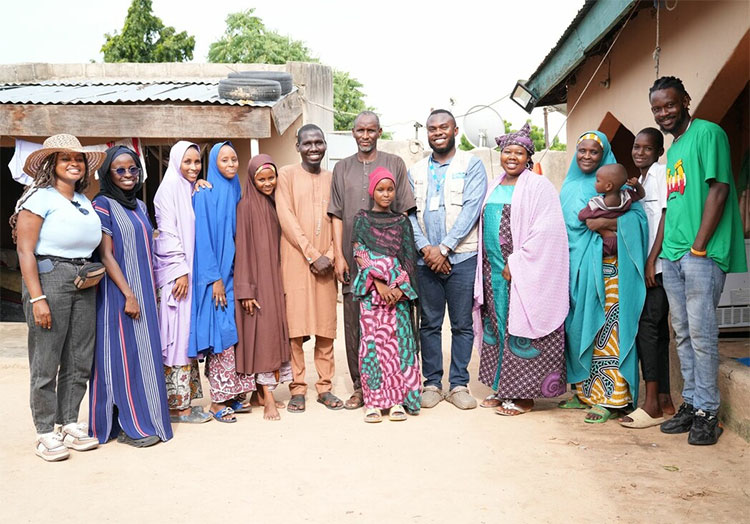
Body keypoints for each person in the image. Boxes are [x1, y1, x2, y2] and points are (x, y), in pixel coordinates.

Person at [649, 76, 747, 445]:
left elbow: (719, 188)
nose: (664, 113)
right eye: (657, 108)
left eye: (670, 105)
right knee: (684, 334)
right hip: (674, 255)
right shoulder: (673, 149)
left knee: (703, 336)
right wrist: (666, 253)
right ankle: (691, 403)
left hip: (700, 254)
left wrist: (700, 247)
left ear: (686, 100)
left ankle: (708, 412)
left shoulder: (708, 133)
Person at [11, 134, 105, 461]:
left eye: (78, 159)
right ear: (52, 164)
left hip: (83, 277)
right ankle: (45, 431)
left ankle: (68, 421)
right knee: (47, 357)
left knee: (79, 355)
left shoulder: (83, 200)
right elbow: (24, 249)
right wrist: (37, 298)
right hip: (50, 275)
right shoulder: (39, 198)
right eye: (66, 159)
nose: (74, 164)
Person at [473, 123, 569, 416]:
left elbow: (548, 230)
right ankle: (502, 387)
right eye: (507, 152)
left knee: (524, 327)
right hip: (492, 272)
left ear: (529, 157)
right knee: (498, 325)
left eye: (519, 152)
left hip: (522, 271)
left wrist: (518, 263)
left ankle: (525, 395)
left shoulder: (539, 187)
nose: (511, 157)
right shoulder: (493, 185)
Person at [328, 110, 416, 410]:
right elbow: (336, 214)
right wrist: (339, 255)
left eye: (371, 130)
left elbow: (404, 212)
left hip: (391, 266)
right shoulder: (342, 168)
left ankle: (396, 389)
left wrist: (393, 271)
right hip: (355, 263)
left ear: (379, 132)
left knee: (392, 326)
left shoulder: (394, 163)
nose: (365, 136)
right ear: (353, 133)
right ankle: (361, 387)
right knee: (355, 324)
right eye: (360, 130)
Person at [559, 131, 648, 423]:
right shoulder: (568, 186)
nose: (586, 157)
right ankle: (585, 393)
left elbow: (637, 219)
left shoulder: (617, 188)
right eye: (581, 150)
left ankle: (611, 398)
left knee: (609, 331)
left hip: (609, 270)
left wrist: (604, 223)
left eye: (594, 152)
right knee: (581, 329)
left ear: (604, 156)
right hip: (575, 271)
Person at [89, 146, 173, 447]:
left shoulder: (138, 204)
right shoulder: (102, 204)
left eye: (133, 169)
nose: (128, 175)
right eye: (120, 170)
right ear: (108, 174)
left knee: (144, 355)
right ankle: (127, 423)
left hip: (145, 292)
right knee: (120, 356)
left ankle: (146, 415)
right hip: (118, 293)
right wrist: (129, 294)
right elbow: (106, 255)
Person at [409, 109, 488, 410]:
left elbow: (471, 209)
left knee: (461, 324)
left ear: (455, 130)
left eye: (444, 127)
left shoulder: (472, 164)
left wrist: (444, 249)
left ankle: (458, 385)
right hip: (424, 259)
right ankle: (431, 382)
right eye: (432, 128)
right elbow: (409, 214)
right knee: (428, 323)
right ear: (426, 133)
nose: (438, 132)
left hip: (462, 256)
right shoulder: (415, 170)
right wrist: (426, 249)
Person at [276, 125, 341, 413]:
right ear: (298, 146)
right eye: (307, 144)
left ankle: (325, 387)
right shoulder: (286, 175)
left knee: (326, 327)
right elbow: (286, 217)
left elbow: (340, 217)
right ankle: (298, 388)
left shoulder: (332, 177)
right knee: (295, 328)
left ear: (325, 145)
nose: (313, 148)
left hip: (327, 263)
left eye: (319, 143)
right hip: (296, 259)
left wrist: (328, 254)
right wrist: (313, 254)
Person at [190, 141, 256, 423]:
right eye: (224, 160)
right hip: (216, 276)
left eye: (234, 160)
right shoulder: (205, 193)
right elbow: (202, 239)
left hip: (235, 274)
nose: (231, 165)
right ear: (214, 162)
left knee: (235, 335)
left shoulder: (235, 189)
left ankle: (233, 395)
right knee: (221, 338)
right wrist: (214, 278)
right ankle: (217, 401)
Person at [352, 167, 421, 422]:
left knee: (397, 348)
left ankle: (396, 402)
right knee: (373, 347)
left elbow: (408, 259)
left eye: (390, 189)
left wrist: (397, 287)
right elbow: (359, 253)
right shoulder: (362, 219)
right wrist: (379, 284)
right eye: (380, 189)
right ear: (372, 191)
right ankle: (373, 402)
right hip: (372, 296)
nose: (386, 194)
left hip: (397, 296)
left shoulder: (401, 221)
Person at [619, 128, 675, 429]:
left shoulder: (662, 174)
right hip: (648, 267)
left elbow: (666, 217)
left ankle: (651, 403)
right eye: (636, 147)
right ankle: (665, 399)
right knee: (657, 330)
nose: (640, 153)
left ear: (658, 152)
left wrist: (652, 260)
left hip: (660, 266)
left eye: (647, 149)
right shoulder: (638, 182)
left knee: (648, 327)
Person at [153, 141, 211, 424]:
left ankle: (184, 403)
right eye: (187, 162)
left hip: (189, 275)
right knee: (175, 337)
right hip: (177, 276)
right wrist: (180, 270)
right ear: (176, 161)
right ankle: (177, 408)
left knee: (185, 336)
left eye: (197, 162)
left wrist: (199, 185)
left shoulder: (190, 188)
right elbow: (167, 233)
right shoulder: (167, 190)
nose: (193, 167)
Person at [234, 154, 293, 421]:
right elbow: (243, 250)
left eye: (271, 178)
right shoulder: (246, 206)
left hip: (274, 279)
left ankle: (260, 393)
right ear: (252, 180)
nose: (268, 183)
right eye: (262, 179)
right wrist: (246, 290)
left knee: (274, 334)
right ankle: (268, 397)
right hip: (257, 283)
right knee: (264, 339)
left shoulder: (274, 204)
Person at [577, 164, 645, 257]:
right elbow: (641, 195)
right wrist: (637, 185)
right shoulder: (626, 197)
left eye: (597, 181)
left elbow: (582, 216)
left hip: (607, 238)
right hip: (622, 240)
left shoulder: (596, 203)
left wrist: (601, 226)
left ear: (608, 186)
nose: (595, 184)